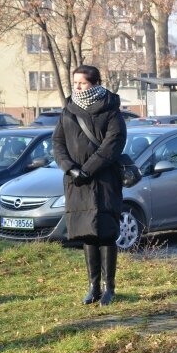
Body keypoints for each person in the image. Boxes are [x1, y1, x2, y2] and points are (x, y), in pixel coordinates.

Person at [52, 65, 126, 306]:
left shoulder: (111, 109)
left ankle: (109, 288)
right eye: (75, 83)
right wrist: (70, 168)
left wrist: (88, 169)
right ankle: (93, 286)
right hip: (77, 182)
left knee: (106, 233)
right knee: (87, 233)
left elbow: (113, 144)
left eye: (82, 83)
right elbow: (58, 142)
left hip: (104, 180)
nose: (77, 87)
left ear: (94, 83)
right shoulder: (69, 109)